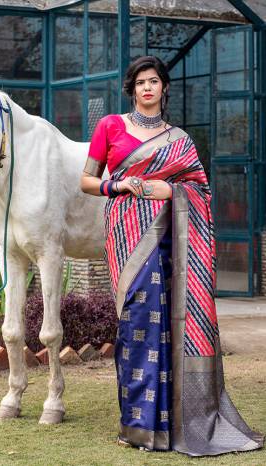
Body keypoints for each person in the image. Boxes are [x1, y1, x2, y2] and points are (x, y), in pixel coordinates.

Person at [80, 55, 264, 456]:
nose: (147, 87)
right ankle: (138, 425)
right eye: (141, 82)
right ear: (132, 89)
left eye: (154, 81)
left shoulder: (179, 139)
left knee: (171, 322)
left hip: (172, 239)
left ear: (164, 88)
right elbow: (87, 181)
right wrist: (122, 185)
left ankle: (174, 422)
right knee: (136, 321)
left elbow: (200, 189)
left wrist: (170, 191)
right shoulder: (110, 126)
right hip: (127, 234)